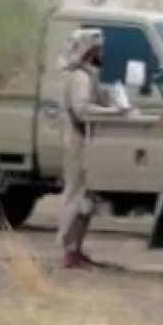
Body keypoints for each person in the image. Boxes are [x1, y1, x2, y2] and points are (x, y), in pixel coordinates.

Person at [56, 29, 128, 268]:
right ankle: (69, 249)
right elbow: (82, 110)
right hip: (78, 141)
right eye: (98, 50)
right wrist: (113, 113)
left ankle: (75, 249)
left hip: (84, 141)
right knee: (76, 196)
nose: (102, 54)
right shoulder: (80, 78)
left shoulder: (89, 76)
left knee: (85, 198)